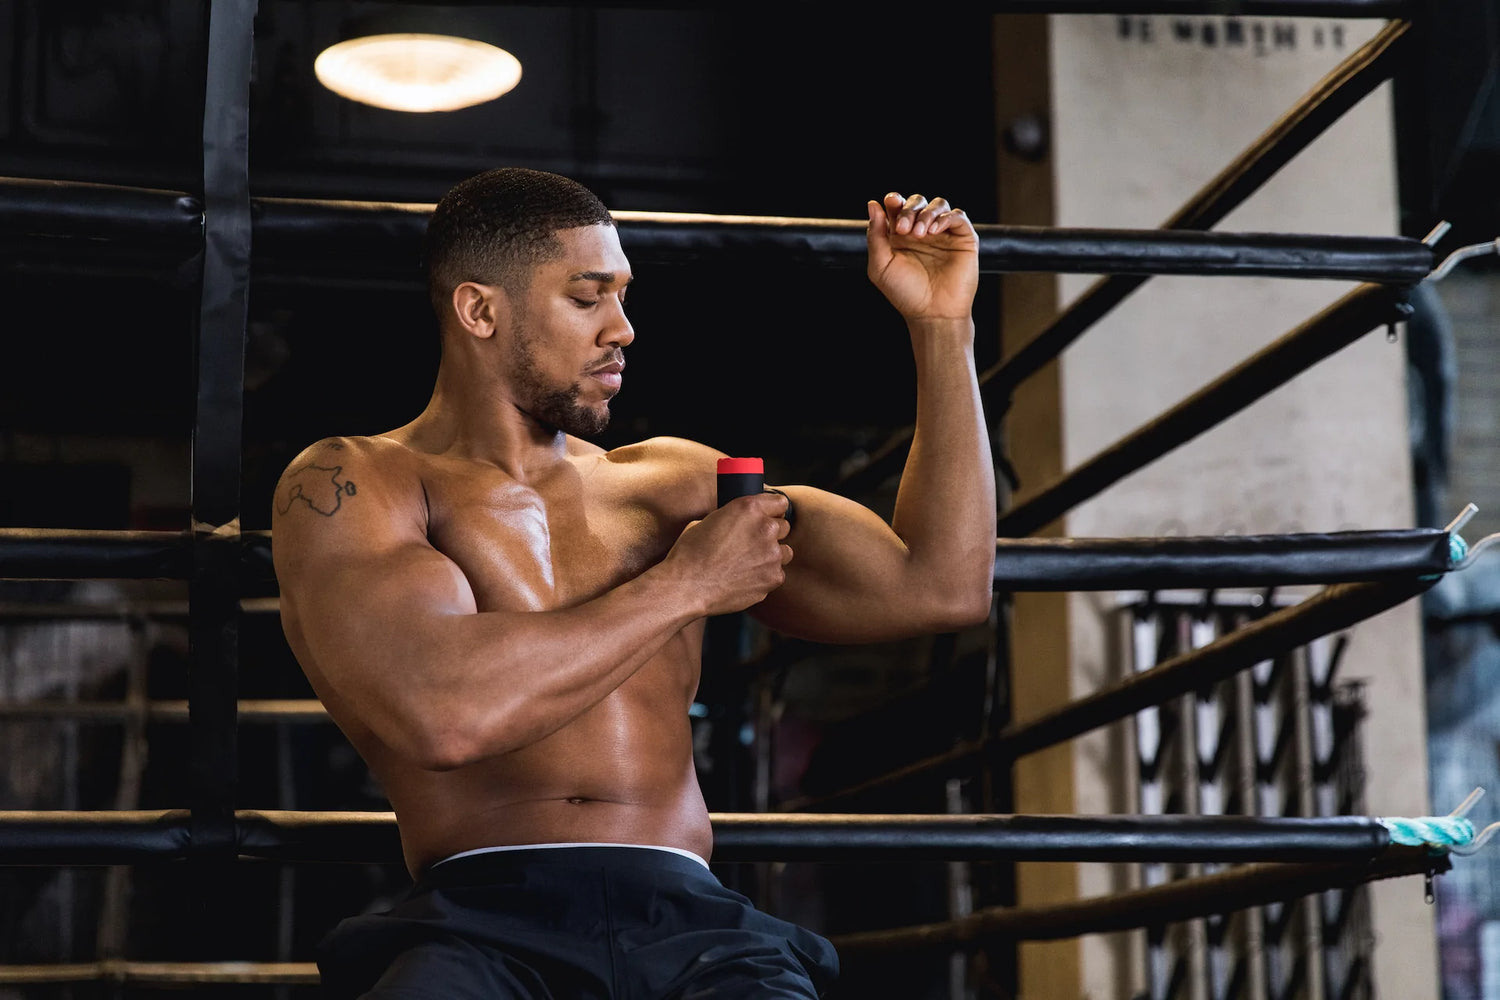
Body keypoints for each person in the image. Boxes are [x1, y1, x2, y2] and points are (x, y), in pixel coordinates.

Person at [271, 167, 996, 999]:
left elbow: (941, 585)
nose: (623, 329)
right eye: (588, 299)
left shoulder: (670, 484)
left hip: (691, 925)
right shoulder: (356, 481)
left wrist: (943, 328)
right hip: (477, 922)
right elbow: (443, 716)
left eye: (623, 296)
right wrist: (684, 587)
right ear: (480, 310)